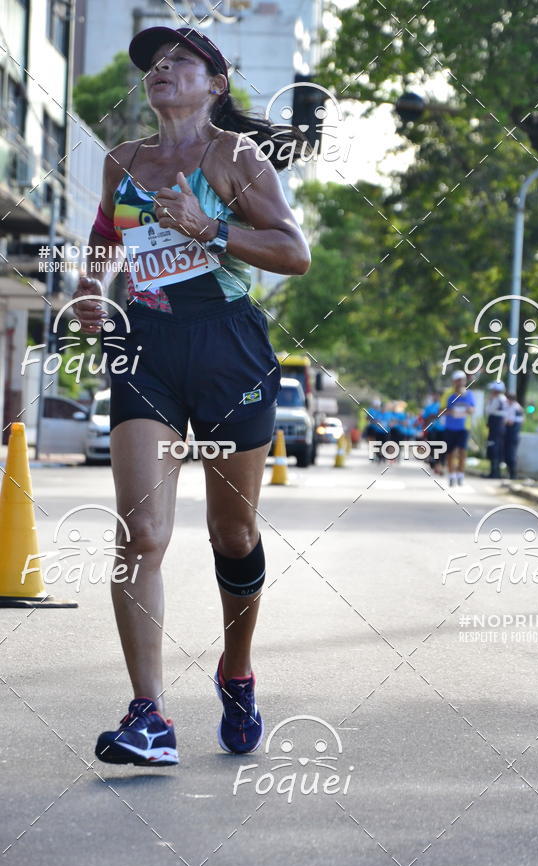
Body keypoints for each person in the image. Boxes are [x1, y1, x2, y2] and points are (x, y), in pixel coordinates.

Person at [72, 26, 310, 766]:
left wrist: (212, 228)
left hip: (227, 345)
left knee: (230, 536)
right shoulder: (124, 162)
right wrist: (87, 291)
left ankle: (236, 670)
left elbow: (293, 253)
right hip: (145, 342)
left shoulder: (234, 157)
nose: (162, 69)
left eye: (181, 60)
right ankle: (150, 716)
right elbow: (105, 240)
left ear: (217, 82)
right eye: (154, 62)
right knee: (141, 534)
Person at [441, 371, 475, 487]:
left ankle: (460, 474)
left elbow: (472, 409)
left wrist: (468, 410)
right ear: (454, 381)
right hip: (450, 427)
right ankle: (451, 475)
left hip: (464, 427)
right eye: (458, 380)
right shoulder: (448, 393)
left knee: (462, 451)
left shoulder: (469, 394)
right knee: (450, 452)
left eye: (463, 380)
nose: (461, 383)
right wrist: (452, 412)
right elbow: (440, 411)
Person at [485, 381, 507, 478]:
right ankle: (494, 472)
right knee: (496, 449)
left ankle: (494, 473)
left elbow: (489, 410)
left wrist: (489, 400)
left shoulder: (497, 399)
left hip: (496, 428)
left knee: (494, 448)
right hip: (499, 427)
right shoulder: (503, 399)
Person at [422, 389, 446, 474]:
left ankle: (440, 465)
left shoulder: (443, 405)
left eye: (437, 395)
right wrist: (431, 417)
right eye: (434, 395)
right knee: (433, 447)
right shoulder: (428, 407)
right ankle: (435, 464)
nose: (436, 397)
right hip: (432, 429)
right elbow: (424, 418)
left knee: (442, 448)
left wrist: (435, 415)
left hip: (443, 429)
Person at [503, 392, 524, 479]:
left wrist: (502, 421)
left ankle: (513, 474)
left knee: (510, 454)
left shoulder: (515, 407)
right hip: (512, 434)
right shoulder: (516, 407)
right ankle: (511, 473)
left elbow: (510, 422)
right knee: (508, 454)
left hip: (512, 434)